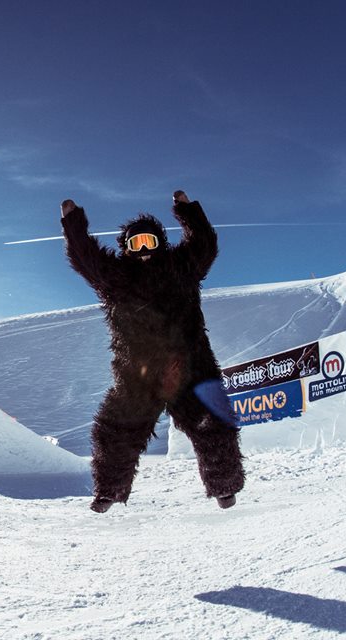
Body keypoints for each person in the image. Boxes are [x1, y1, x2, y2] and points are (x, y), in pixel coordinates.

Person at [60, 190, 245, 513]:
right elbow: (85, 257)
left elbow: (205, 244)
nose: (144, 250)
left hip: (190, 368)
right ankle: (109, 491)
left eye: (150, 242)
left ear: (161, 243)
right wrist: (73, 222)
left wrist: (188, 212)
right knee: (114, 430)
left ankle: (223, 487)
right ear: (126, 249)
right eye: (136, 244)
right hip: (138, 375)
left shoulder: (182, 268)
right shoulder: (115, 278)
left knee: (213, 424)